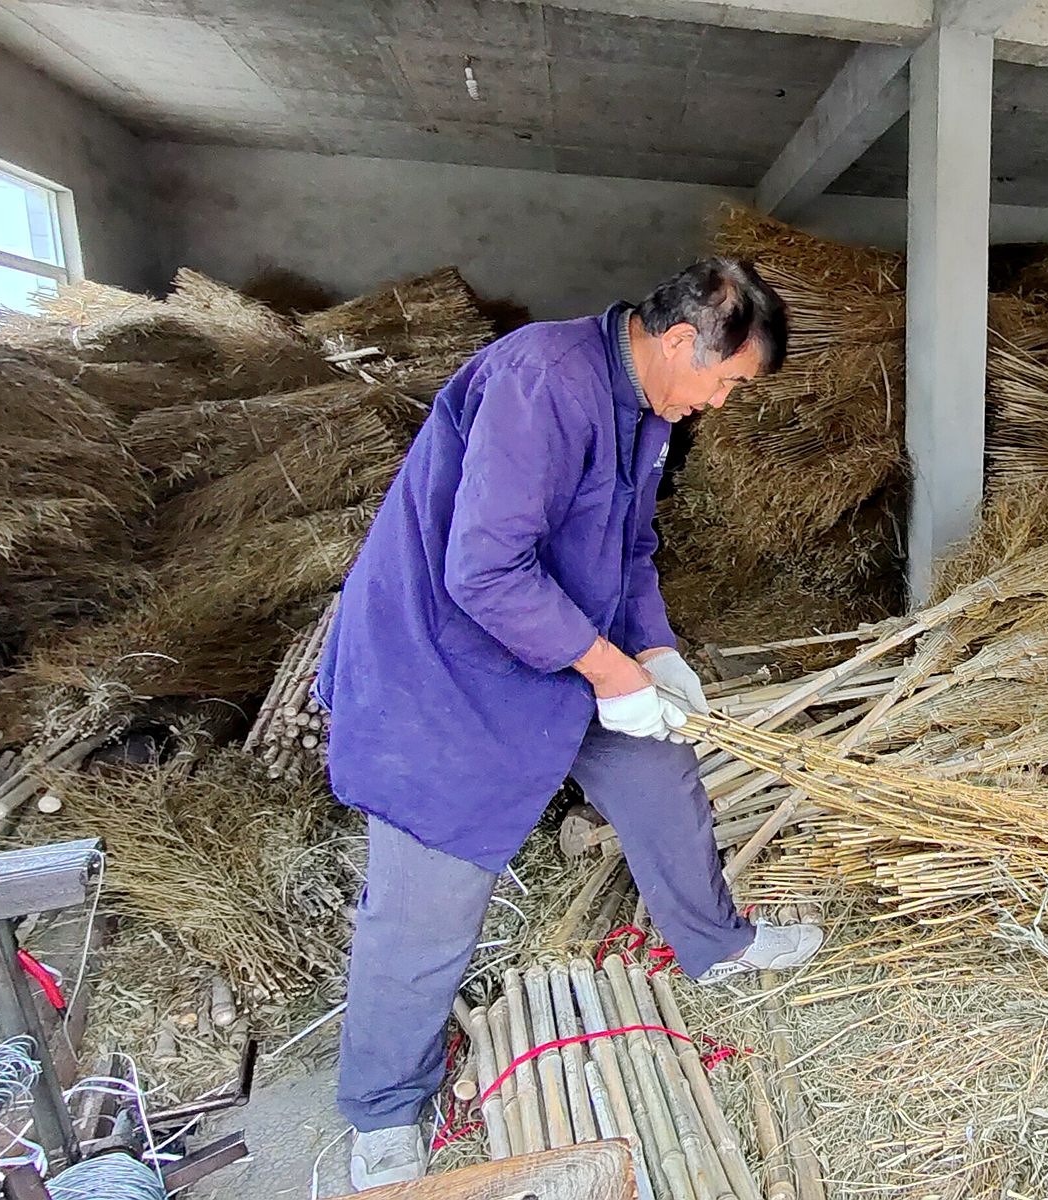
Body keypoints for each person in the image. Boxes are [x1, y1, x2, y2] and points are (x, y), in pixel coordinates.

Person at [313, 259, 824, 1188]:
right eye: (727, 380)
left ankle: (715, 944)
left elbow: (628, 549)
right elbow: (483, 571)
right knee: (431, 885)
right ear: (680, 343)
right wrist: (607, 667)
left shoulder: (649, 412)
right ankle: (384, 1107)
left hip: (562, 639)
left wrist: (654, 653)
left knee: (659, 772)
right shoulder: (543, 380)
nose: (722, 401)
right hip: (448, 664)